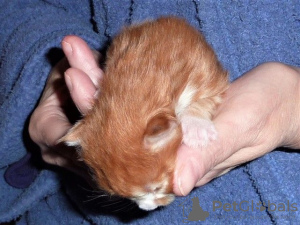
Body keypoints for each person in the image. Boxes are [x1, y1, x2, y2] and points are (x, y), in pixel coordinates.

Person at [1, 1, 300, 224]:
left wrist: (293, 111)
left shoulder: (165, 118)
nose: (144, 209)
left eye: (150, 190)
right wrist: (47, 77)